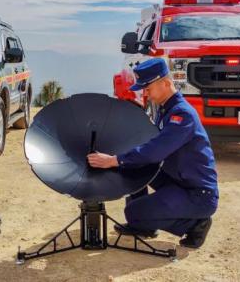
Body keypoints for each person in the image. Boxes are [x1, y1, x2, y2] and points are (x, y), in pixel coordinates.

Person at [87, 58, 218, 248]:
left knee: (133, 213)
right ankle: (144, 223)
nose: (145, 94)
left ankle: (196, 223)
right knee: (131, 167)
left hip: (197, 194)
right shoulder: (166, 108)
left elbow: (154, 151)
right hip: (179, 181)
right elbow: (147, 145)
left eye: (148, 89)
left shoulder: (182, 114)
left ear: (165, 83)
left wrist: (113, 160)